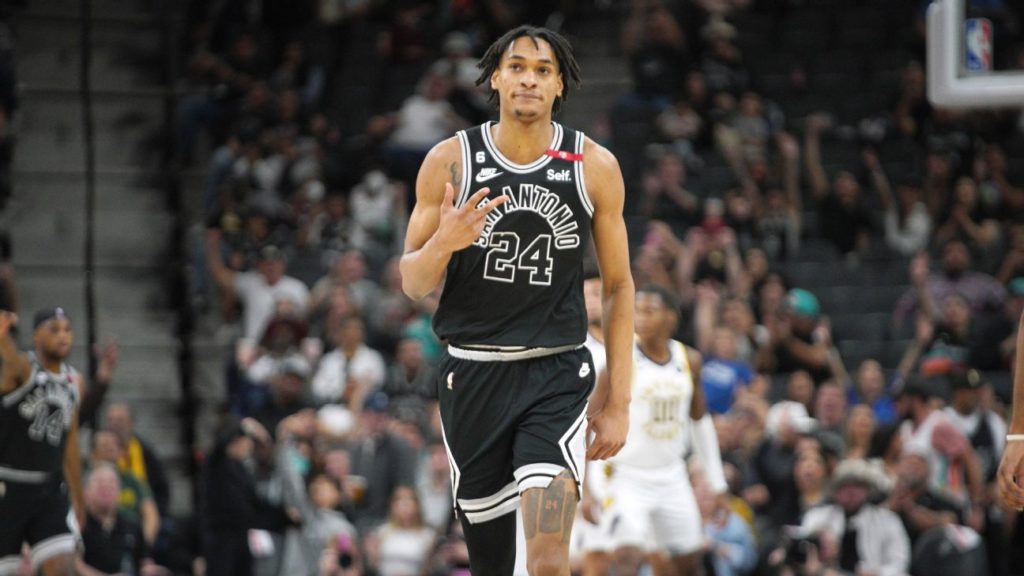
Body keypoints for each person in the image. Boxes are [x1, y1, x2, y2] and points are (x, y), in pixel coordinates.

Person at [398, 25, 634, 576]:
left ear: (559, 85)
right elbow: (412, 281)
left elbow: (619, 286)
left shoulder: (593, 165)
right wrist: (444, 242)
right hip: (472, 377)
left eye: (543, 70)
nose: (529, 79)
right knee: (493, 564)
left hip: (555, 375)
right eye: (518, 67)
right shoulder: (451, 161)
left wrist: (620, 403)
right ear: (496, 79)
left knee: (548, 559)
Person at [599, 285, 729, 576]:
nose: (640, 318)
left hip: (672, 475)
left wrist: (717, 484)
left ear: (671, 317)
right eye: (637, 311)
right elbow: (590, 420)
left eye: (649, 311)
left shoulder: (689, 359)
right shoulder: (619, 359)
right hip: (625, 476)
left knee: (688, 564)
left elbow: (700, 421)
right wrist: (588, 483)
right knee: (627, 559)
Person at [0, 308, 85, 576]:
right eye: (54, 329)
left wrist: (78, 495)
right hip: (8, 485)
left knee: (63, 567)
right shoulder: (25, 368)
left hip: (48, 488)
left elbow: (70, 444)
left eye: (67, 330)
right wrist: (3, 336)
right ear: (36, 335)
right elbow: (11, 359)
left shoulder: (74, 381)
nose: (63, 336)